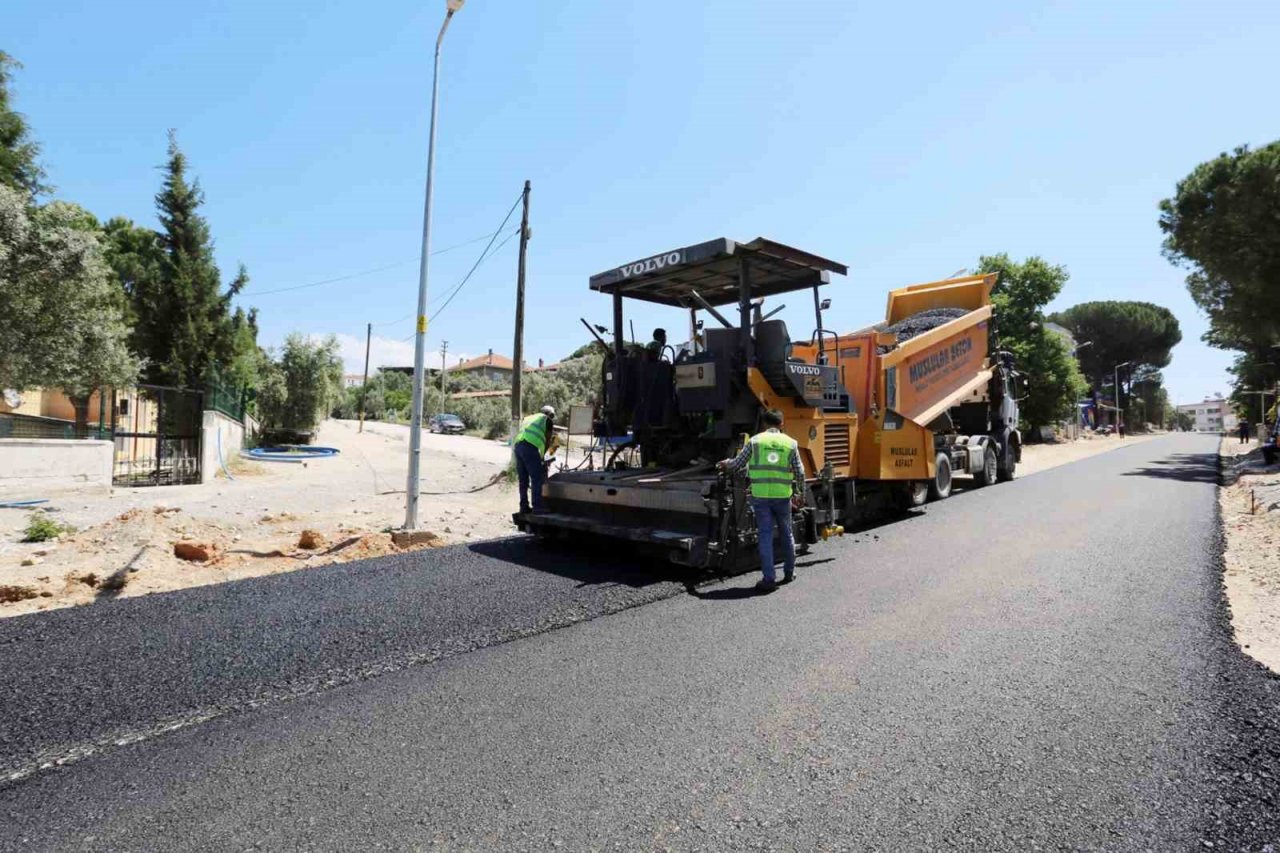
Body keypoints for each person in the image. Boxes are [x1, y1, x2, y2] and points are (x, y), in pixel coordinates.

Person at [717, 409, 805, 591]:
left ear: (764, 424)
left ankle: (769, 579)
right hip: (782, 496)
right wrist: (800, 493)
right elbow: (800, 472)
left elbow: (736, 465)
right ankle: (789, 573)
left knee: (765, 536)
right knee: (787, 533)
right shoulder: (791, 443)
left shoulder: (755, 441)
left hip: (761, 496)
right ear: (782, 424)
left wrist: (726, 464)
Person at [514, 405, 555, 514]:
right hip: (530, 447)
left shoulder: (529, 418)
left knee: (523, 480)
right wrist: (543, 457)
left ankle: (524, 507)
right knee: (537, 478)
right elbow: (548, 440)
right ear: (550, 415)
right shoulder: (547, 420)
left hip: (518, 446)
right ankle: (538, 507)